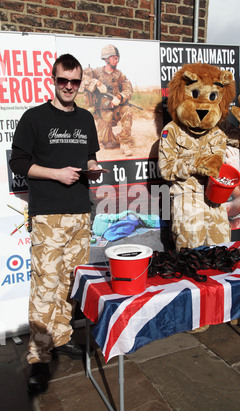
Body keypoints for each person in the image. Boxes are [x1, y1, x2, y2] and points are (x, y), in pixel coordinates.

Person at [9, 53, 100, 393]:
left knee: (69, 282)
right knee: (45, 287)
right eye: (63, 80)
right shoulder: (34, 118)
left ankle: (61, 338)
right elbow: (18, 161)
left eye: (74, 82)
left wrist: (92, 166)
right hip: (48, 214)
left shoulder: (87, 119)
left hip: (79, 211)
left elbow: (91, 154)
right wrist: (56, 174)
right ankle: (38, 359)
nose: (68, 87)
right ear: (53, 79)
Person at [81, 44, 134, 156]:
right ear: (106, 59)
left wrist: (119, 97)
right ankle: (116, 139)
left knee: (127, 110)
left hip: (116, 110)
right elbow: (81, 77)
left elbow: (128, 90)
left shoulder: (120, 75)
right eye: (113, 57)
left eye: (117, 57)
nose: (116, 59)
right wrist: (96, 83)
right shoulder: (95, 72)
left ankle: (125, 142)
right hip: (102, 113)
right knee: (107, 143)